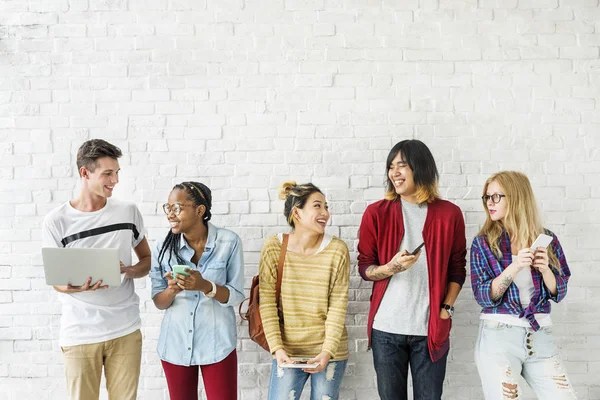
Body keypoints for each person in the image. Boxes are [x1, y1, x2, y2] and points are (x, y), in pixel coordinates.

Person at [357, 139, 467, 400]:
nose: (394, 172)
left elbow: (457, 268)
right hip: (386, 329)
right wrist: (391, 267)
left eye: (402, 165)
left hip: (429, 328)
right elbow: (365, 267)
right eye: (391, 166)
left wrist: (446, 309)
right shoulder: (376, 213)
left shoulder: (450, 214)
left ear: (422, 168)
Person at [41, 139, 151, 400]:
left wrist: (128, 270)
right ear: (85, 173)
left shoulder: (128, 212)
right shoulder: (56, 221)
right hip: (80, 332)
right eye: (107, 174)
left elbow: (146, 259)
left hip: (125, 329)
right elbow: (55, 280)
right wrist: (76, 287)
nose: (115, 180)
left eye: (116, 173)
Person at [470, 171, 577, 399]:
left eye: (497, 196)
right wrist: (515, 266)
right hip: (499, 336)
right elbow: (482, 296)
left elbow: (560, 292)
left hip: (540, 335)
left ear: (517, 197)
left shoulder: (547, 239)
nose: (490, 202)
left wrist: (546, 269)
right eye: (487, 197)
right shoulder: (483, 243)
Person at [150, 181, 244, 400]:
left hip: (217, 343)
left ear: (200, 210)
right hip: (175, 344)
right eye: (168, 207)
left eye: (177, 208)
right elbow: (158, 301)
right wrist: (171, 290)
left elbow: (236, 295)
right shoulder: (161, 248)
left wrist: (206, 287)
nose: (170, 214)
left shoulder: (229, 242)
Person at [259, 181, 350, 400]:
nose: (325, 213)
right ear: (296, 213)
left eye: (326, 207)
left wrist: (327, 352)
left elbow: (338, 305)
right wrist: (277, 349)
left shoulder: (337, 250)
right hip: (287, 352)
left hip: (329, 352)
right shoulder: (274, 247)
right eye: (317, 206)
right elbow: (267, 304)